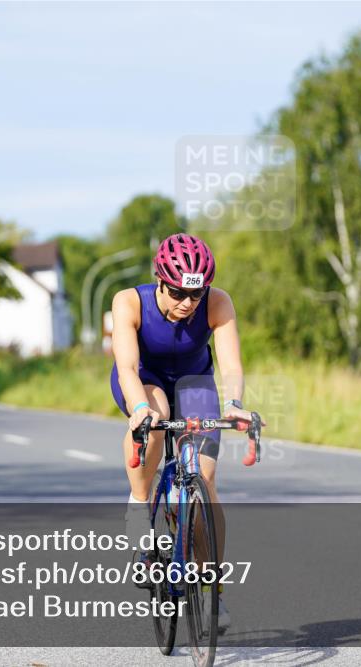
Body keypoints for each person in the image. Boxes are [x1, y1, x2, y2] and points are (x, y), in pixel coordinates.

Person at [110, 233, 257, 632]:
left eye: (195, 294)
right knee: (154, 416)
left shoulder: (218, 302)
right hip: (145, 379)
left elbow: (230, 366)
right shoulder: (129, 301)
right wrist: (139, 410)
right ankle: (139, 505)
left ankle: (212, 587)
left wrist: (235, 405)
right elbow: (126, 366)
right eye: (177, 292)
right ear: (160, 279)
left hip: (194, 382)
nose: (187, 303)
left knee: (205, 480)